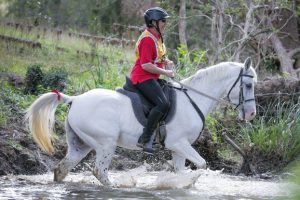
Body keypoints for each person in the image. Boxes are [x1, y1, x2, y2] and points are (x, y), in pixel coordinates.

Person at [130, 7, 175, 153]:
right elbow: (146, 64)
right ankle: (145, 138)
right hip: (142, 77)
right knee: (163, 104)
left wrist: (166, 61)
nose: (165, 23)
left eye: (165, 21)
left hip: (151, 76)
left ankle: (159, 136)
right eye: (163, 21)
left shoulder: (157, 37)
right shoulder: (148, 39)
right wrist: (165, 72)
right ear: (153, 22)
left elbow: (158, 56)